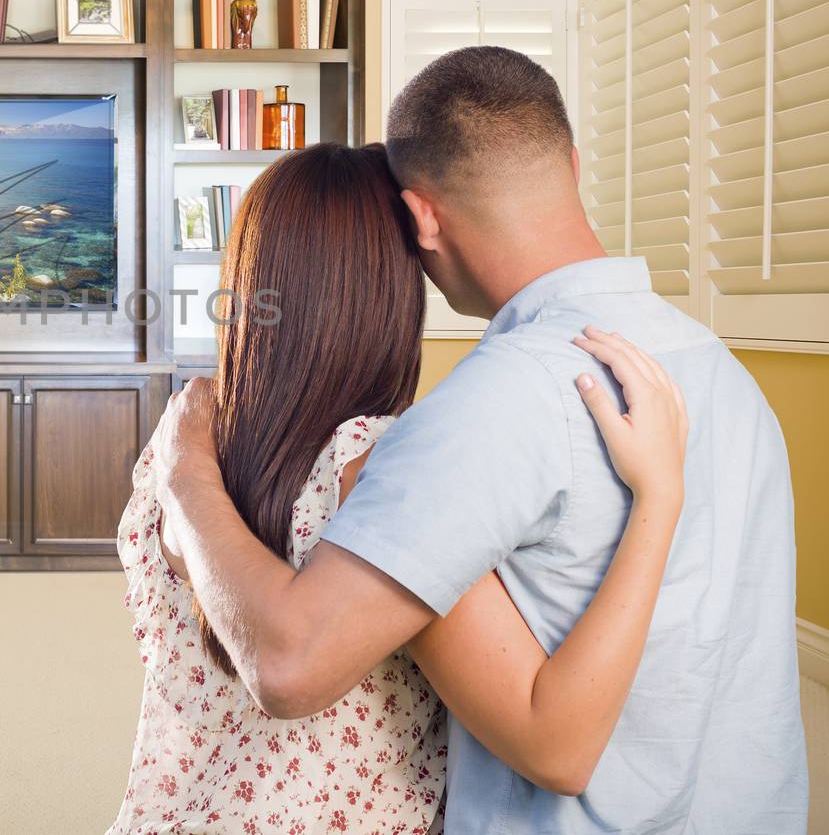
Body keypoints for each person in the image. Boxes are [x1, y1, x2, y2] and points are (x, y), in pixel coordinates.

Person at [148, 46, 807, 832]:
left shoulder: (486, 408)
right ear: (568, 159)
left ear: (421, 216)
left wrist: (184, 468)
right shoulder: (718, 369)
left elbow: (289, 665)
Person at [111, 143, 689, 834]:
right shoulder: (380, 471)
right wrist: (660, 495)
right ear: (390, 292)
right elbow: (555, 745)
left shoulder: (180, 442)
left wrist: (185, 473)